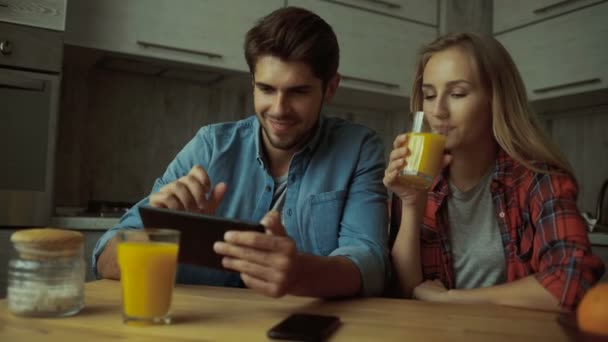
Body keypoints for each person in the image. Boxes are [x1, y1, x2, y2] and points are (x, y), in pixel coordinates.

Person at [93, 7, 389, 298]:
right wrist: (158, 235)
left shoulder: (358, 149)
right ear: (253, 85)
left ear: (330, 88)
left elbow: (371, 264)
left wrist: (300, 272)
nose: (278, 109)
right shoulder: (210, 146)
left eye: (298, 92)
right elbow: (103, 257)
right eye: (266, 89)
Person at [384, 32, 605, 311]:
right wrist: (412, 205)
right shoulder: (418, 181)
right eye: (429, 95)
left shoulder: (538, 180)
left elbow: (573, 283)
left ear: (495, 99)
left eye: (457, 94)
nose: (437, 110)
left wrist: (451, 299)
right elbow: (403, 296)